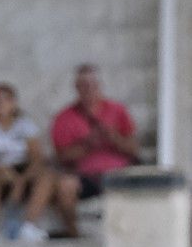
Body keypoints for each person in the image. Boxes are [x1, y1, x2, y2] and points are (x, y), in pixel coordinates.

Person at [0, 83, 80, 245]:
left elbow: (36, 156)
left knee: (48, 175)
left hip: (24, 168)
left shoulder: (25, 123)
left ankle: (29, 225)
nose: (0, 104)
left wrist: (21, 180)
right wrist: (7, 175)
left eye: (4, 100)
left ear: (13, 102)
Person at [52, 64, 140, 197]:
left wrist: (114, 138)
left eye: (93, 84)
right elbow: (62, 157)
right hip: (86, 177)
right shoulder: (64, 117)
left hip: (120, 174)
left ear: (99, 85)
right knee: (65, 186)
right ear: (76, 87)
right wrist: (88, 144)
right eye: (84, 85)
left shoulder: (117, 110)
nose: (89, 89)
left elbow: (134, 148)